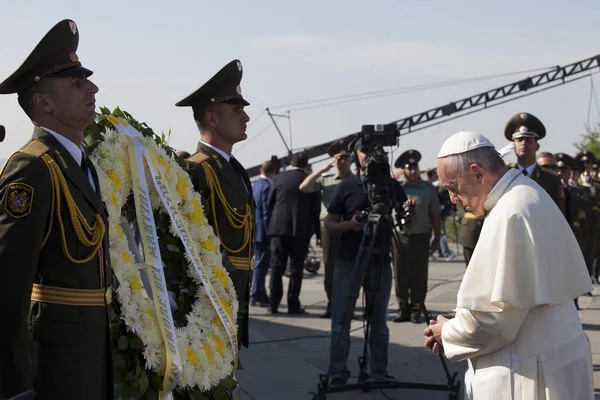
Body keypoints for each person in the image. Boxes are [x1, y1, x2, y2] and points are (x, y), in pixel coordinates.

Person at [424, 131, 593, 400]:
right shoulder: (526, 193)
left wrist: (446, 331)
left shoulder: (509, 212)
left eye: (453, 187)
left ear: (477, 173)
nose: (453, 199)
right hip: (556, 357)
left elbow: (491, 324)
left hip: (530, 372)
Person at [0, 20, 113, 399]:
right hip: (53, 366)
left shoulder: (79, 163)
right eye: (77, 83)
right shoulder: (32, 167)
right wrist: (14, 386)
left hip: (91, 354)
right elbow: (7, 288)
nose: (93, 88)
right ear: (43, 102)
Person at [177, 59, 254, 348]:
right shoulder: (197, 170)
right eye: (237, 111)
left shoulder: (233, 168)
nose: (245, 117)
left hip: (233, 299)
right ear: (212, 118)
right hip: (208, 305)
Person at [325, 138, 412, 386]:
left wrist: (411, 213)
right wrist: (349, 225)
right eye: (365, 149)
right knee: (341, 320)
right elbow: (329, 224)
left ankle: (379, 372)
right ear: (355, 155)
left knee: (379, 323)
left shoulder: (392, 185)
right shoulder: (346, 187)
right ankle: (338, 373)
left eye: (376, 148)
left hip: (380, 261)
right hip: (348, 263)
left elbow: (406, 224)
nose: (371, 153)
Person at [299, 139, 352, 318]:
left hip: (352, 228)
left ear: (350, 160)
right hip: (330, 228)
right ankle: (332, 304)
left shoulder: (356, 180)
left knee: (352, 268)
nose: (341, 162)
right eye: (338, 159)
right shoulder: (327, 179)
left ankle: (349, 306)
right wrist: (322, 170)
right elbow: (304, 187)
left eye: (345, 158)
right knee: (331, 269)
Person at [392, 150, 441, 323]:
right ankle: (403, 308)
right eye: (408, 168)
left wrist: (436, 237)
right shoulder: (397, 189)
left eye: (414, 167)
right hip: (400, 237)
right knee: (400, 275)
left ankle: (416, 309)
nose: (412, 171)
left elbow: (435, 215)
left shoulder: (428, 190)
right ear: (403, 171)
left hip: (421, 237)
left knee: (419, 275)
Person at [267, 152, 319, 314]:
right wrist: (318, 234)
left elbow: (270, 203)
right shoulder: (310, 181)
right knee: (297, 269)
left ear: (291, 162)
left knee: (276, 268)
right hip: (300, 231)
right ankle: (293, 304)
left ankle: (273, 305)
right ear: (306, 164)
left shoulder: (280, 178)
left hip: (278, 230)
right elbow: (315, 210)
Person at [504, 112, 564, 212]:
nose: (523, 143)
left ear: (537, 146)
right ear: (514, 147)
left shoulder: (552, 179)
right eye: (519, 140)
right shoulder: (505, 176)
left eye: (528, 140)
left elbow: (560, 215)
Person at [250, 160, 276, 307]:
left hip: (256, 230)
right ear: (273, 172)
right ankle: (256, 294)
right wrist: (269, 234)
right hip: (263, 233)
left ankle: (259, 293)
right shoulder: (267, 187)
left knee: (259, 264)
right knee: (261, 265)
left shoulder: (256, 185)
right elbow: (267, 213)